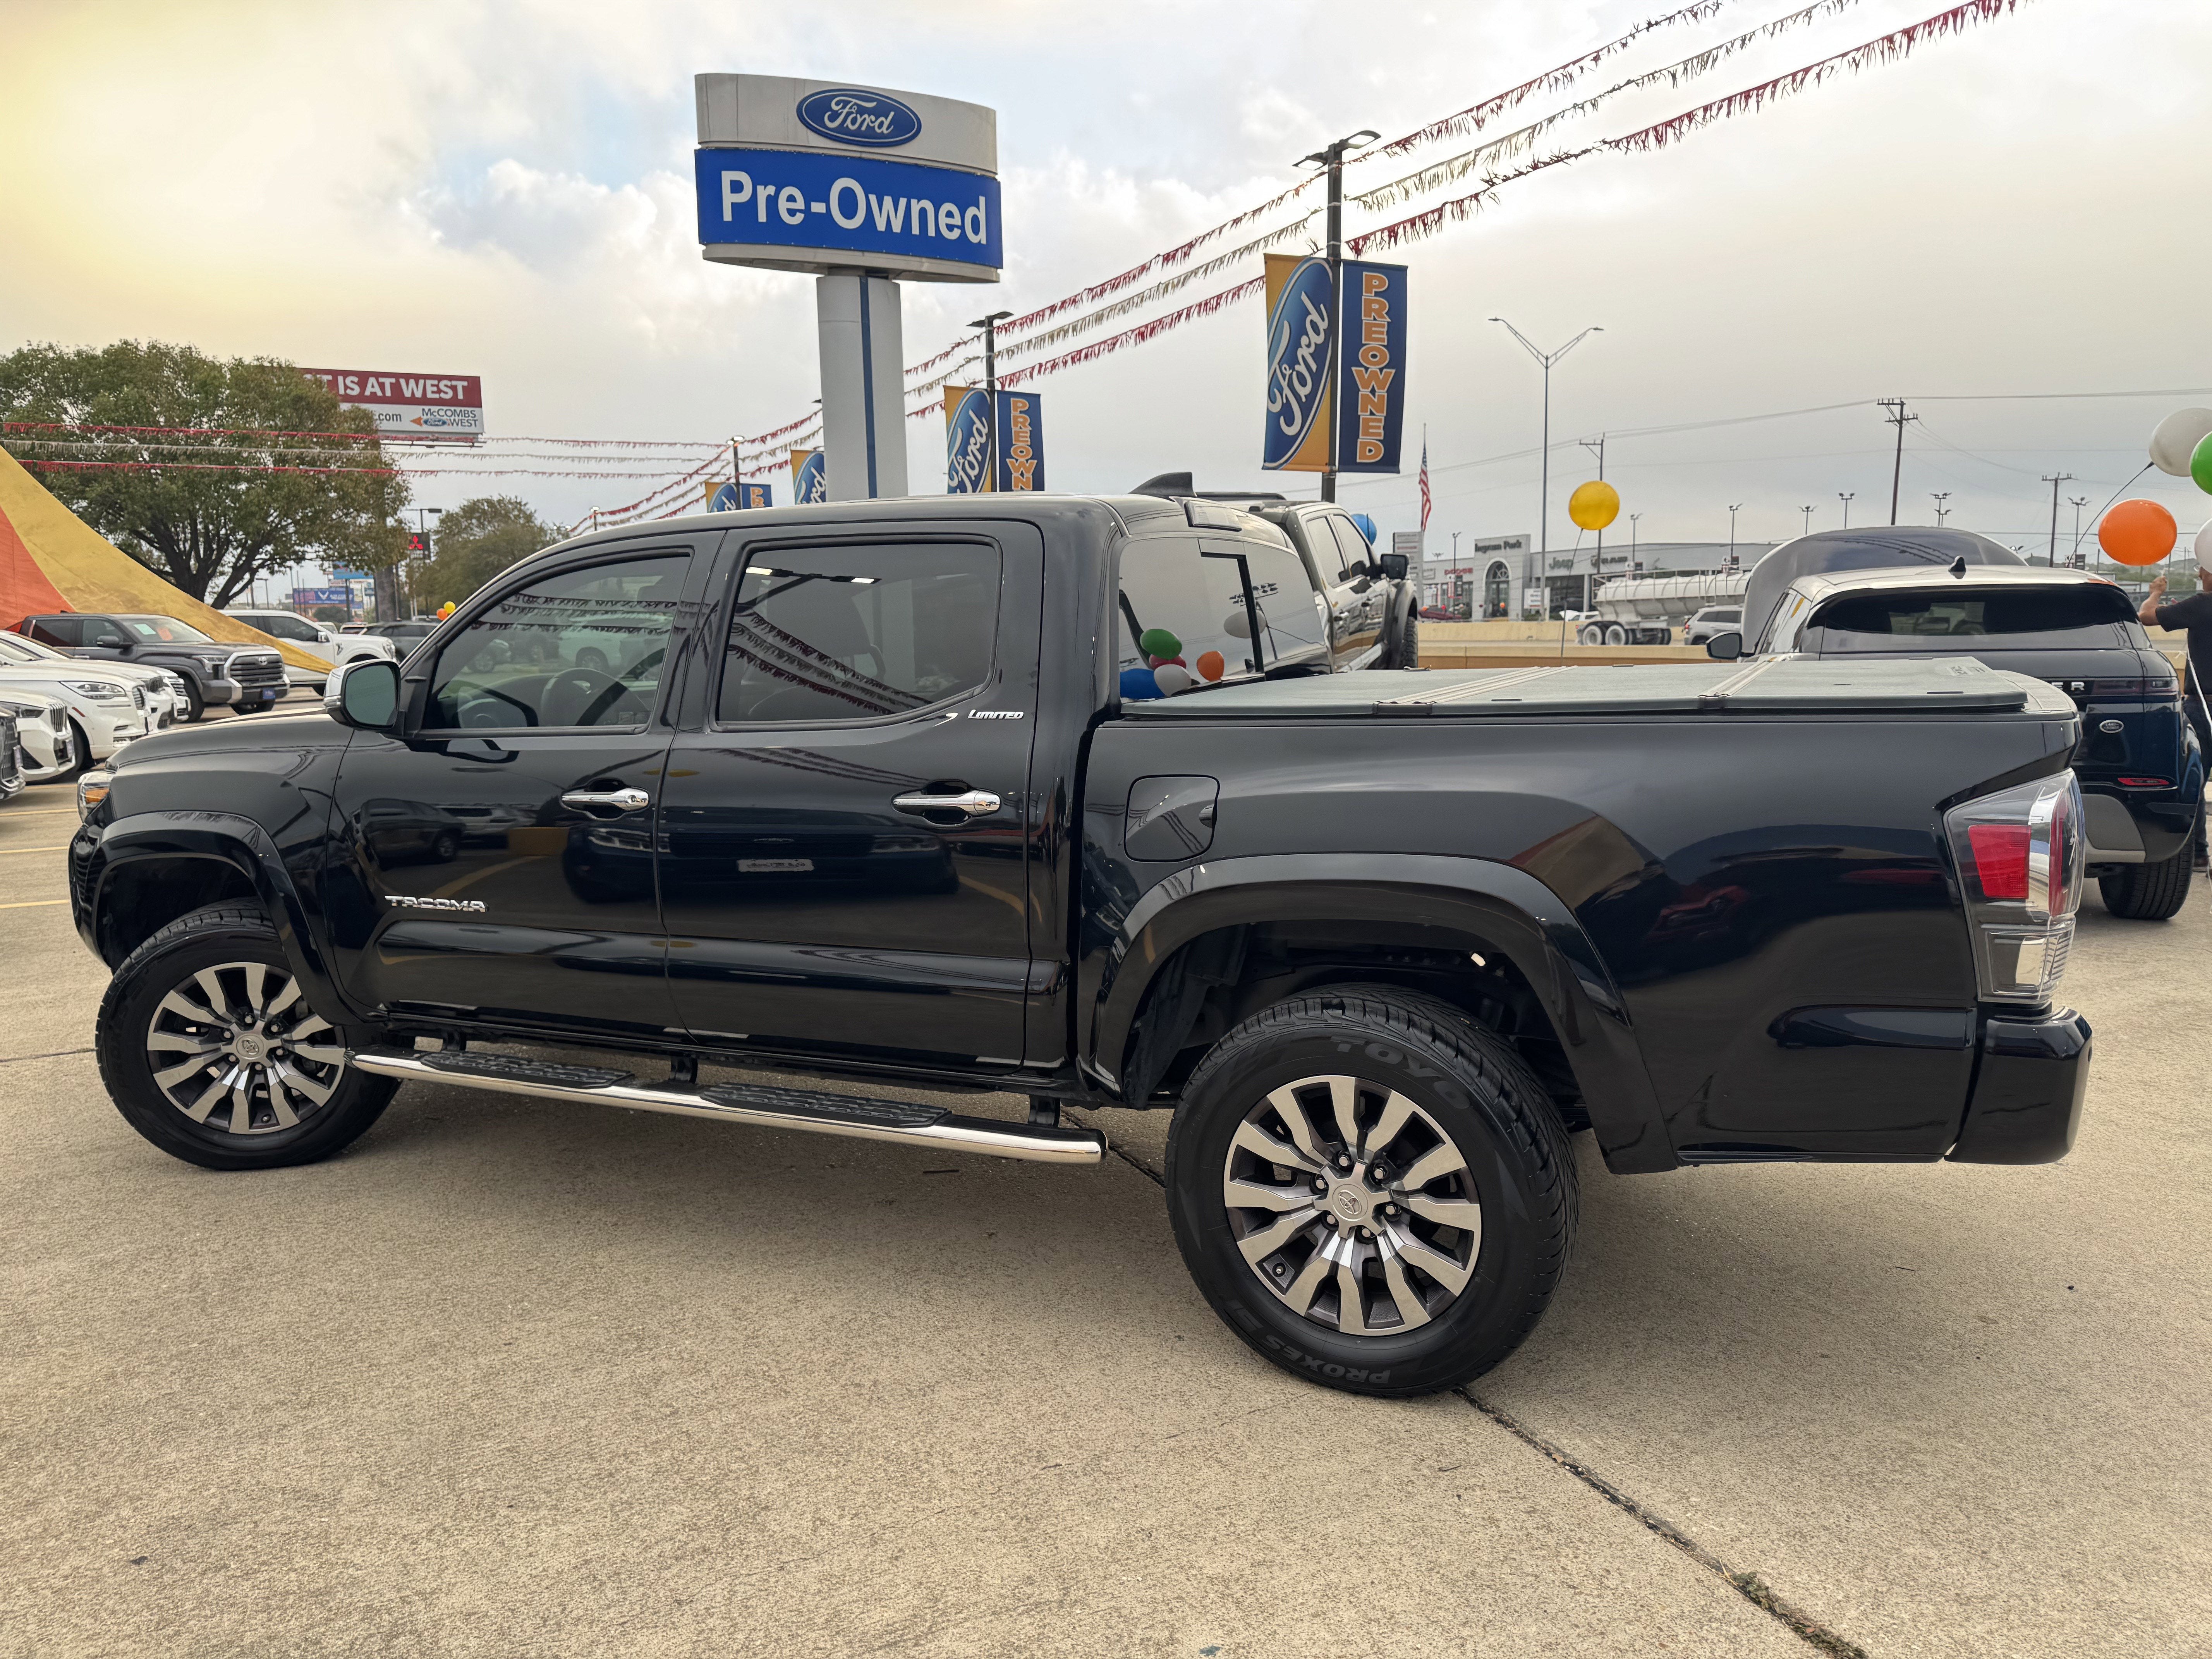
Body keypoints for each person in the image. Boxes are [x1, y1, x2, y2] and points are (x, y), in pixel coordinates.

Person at [2141, 566, 2212, 868]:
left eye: (2204, 570)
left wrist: (2156, 591)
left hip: (2204, 706)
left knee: (2194, 778)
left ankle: (2198, 852)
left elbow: (2146, 616)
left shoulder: (2202, 605)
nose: (2199, 575)